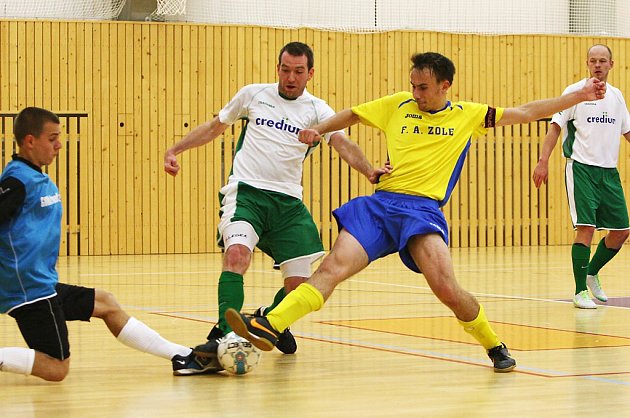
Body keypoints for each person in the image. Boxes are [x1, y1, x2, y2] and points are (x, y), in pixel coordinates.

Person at [225, 51, 606, 373]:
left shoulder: (469, 115)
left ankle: (493, 344)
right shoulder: (397, 105)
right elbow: (353, 116)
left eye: (422, 87)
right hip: (380, 205)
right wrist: (319, 129)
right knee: (330, 269)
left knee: (447, 289)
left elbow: (526, 112)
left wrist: (578, 96)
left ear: (445, 86)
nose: (415, 93)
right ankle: (271, 324)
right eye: (412, 85)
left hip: (422, 212)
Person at [163, 42, 388, 373]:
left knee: (301, 288)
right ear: (277, 68)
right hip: (248, 193)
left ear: (310, 73)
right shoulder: (254, 95)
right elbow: (215, 126)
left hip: (288, 204)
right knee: (237, 254)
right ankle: (225, 338)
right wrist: (176, 149)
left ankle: (266, 321)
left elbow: (343, 142)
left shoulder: (317, 109)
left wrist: (369, 171)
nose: (290, 77)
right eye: (285, 69)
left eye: (298, 71)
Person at [0, 107, 206, 381]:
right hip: (28, 288)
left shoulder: (33, 176)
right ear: (29, 141)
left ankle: (182, 354)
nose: (59, 144)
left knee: (105, 302)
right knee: (56, 368)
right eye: (52, 138)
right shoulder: (17, 181)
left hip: (39, 282)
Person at [532, 44, 630, 309]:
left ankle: (591, 272)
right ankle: (579, 292)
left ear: (611, 64)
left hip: (609, 172)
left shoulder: (618, 97)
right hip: (581, 169)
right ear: (588, 63)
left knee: (621, 230)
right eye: (593, 60)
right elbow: (554, 128)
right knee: (585, 228)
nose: (598, 65)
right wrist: (543, 162)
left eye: (603, 61)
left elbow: (627, 132)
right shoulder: (575, 93)